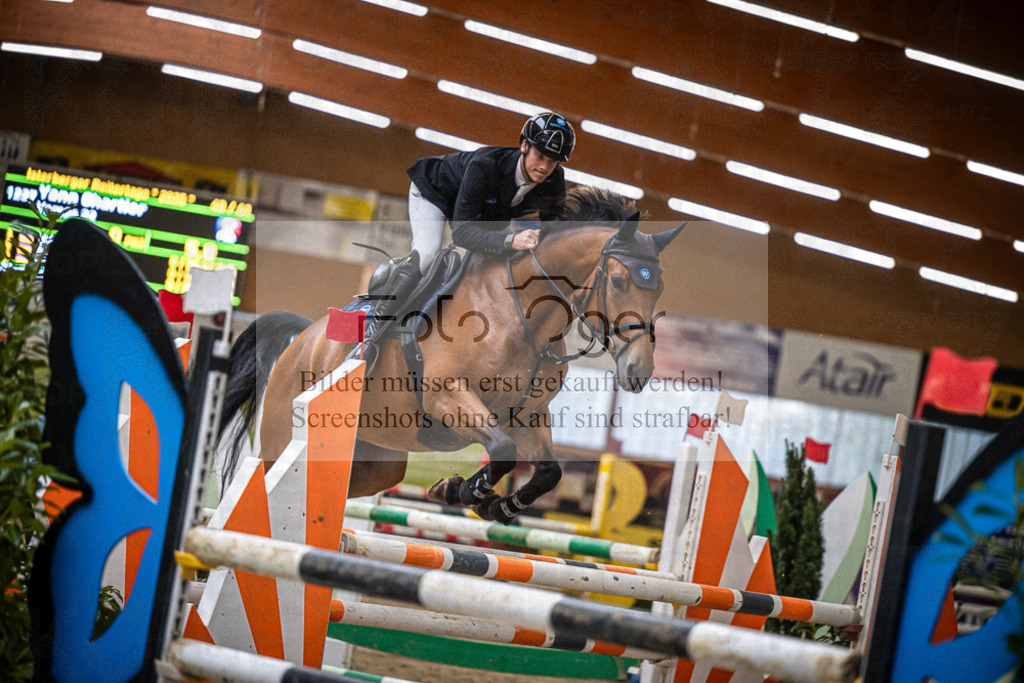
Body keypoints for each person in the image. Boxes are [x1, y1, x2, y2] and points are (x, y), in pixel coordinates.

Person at [361, 112, 576, 364]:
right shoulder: (486, 165)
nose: (544, 167)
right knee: (428, 254)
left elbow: (552, 234)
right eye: (539, 156)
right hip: (435, 193)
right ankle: (373, 331)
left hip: (483, 213)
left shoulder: (554, 180)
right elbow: (462, 233)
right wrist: (511, 241)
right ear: (524, 146)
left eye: (552, 161)